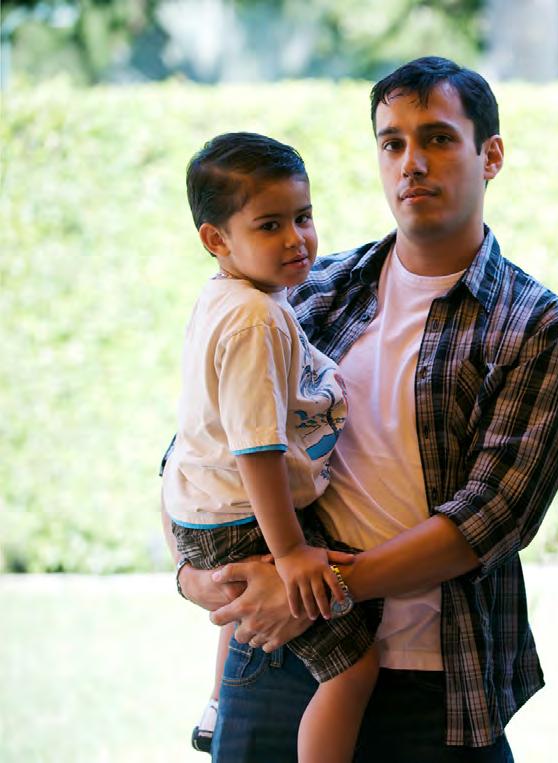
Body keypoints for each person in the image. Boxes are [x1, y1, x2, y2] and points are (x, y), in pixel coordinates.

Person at [166, 56, 558, 761]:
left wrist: (311, 585)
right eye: (392, 143)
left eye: (438, 139)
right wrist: (195, 576)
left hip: (439, 680)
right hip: (277, 659)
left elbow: (492, 515)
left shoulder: (537, 325)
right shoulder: (308, 290)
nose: (411, 163)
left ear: (491, 156)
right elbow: (201, 440)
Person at [162, 132, 378, 763]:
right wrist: (291, 553)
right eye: (269, 225)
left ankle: (216, 707)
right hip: (245, 520)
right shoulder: (254, 319)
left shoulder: (231, 297)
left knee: (248, 614)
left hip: (213, 513)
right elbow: (256, 448)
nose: (296, 239)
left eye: (302, 217)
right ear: (216, 239)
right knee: (353, 668)